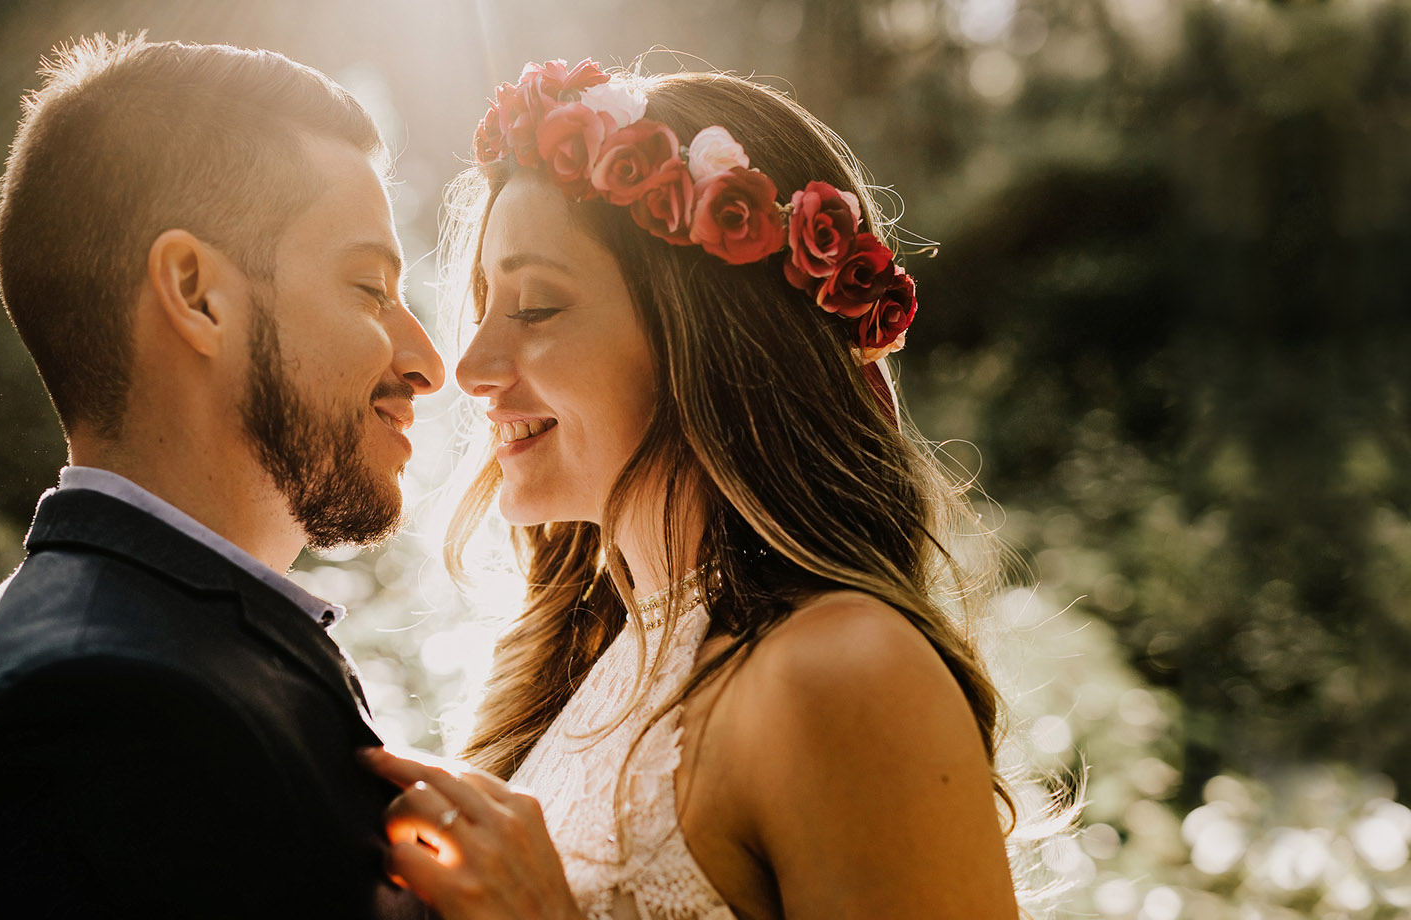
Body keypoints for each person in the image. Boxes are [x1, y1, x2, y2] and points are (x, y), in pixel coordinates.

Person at [363, 61, 1034, 919]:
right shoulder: (592, 672)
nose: (470, 367)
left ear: (710, 342)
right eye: (486, 304)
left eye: (533, 308)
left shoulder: (844, 671)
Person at [0, 35, 442, 918]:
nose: (426, 360)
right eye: (369, 288)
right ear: (197, 293)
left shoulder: (156, 643)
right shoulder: (103, 714)